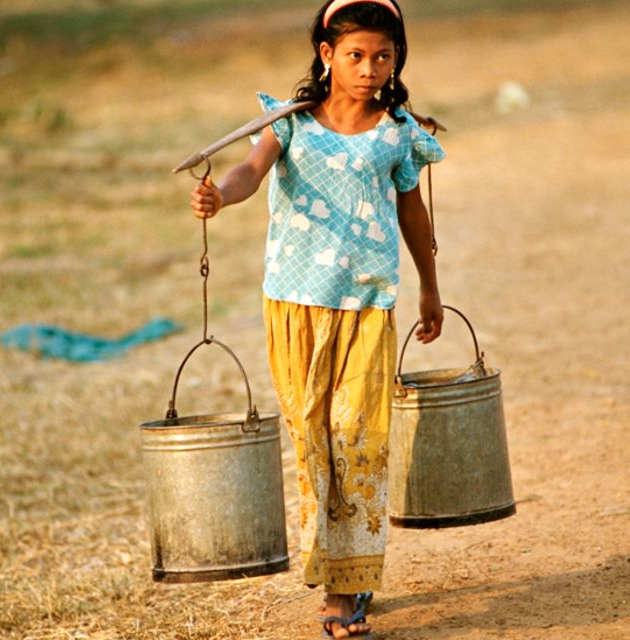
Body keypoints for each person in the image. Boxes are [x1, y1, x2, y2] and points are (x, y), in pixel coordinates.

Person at [190, 0, 444, 636]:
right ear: (327, 56)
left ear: (396, 61)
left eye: (382, 57)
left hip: (365, 306)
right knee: (312, 438)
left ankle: (346, 587)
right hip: (295, 304)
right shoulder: (290, 123)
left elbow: (414, 216)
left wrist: (430, 291)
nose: (369, 68)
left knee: (356, 436)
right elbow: (250, 171)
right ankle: (331, 566)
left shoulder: (396, 131)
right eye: (355, 55)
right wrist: (219, 193)